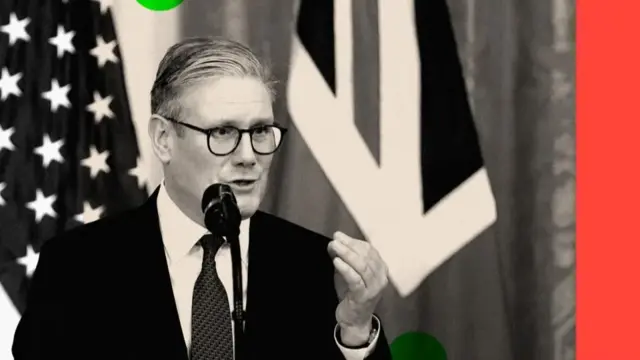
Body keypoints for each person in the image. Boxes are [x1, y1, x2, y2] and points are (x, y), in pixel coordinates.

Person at [11, 37, 392, 360]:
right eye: (223, 132)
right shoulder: (77, 267)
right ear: (163, 139)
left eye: (260, 131)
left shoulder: (310, 264)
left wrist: (355, 331)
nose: (248, 155)